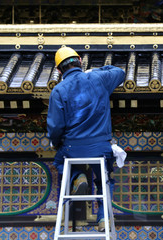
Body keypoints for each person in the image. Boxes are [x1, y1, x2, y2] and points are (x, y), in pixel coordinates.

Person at [47, 46, 125, 231]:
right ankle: (104, 219)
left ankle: (78, 177)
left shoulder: (58, 91)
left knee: (60, 161)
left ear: (59, 70)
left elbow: (56, 127)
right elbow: (120, 72)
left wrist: (57, 143)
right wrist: (94, 71)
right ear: (80, 61)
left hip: (73, 148)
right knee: (105, 179)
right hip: (101, 147)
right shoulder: (99, 78)